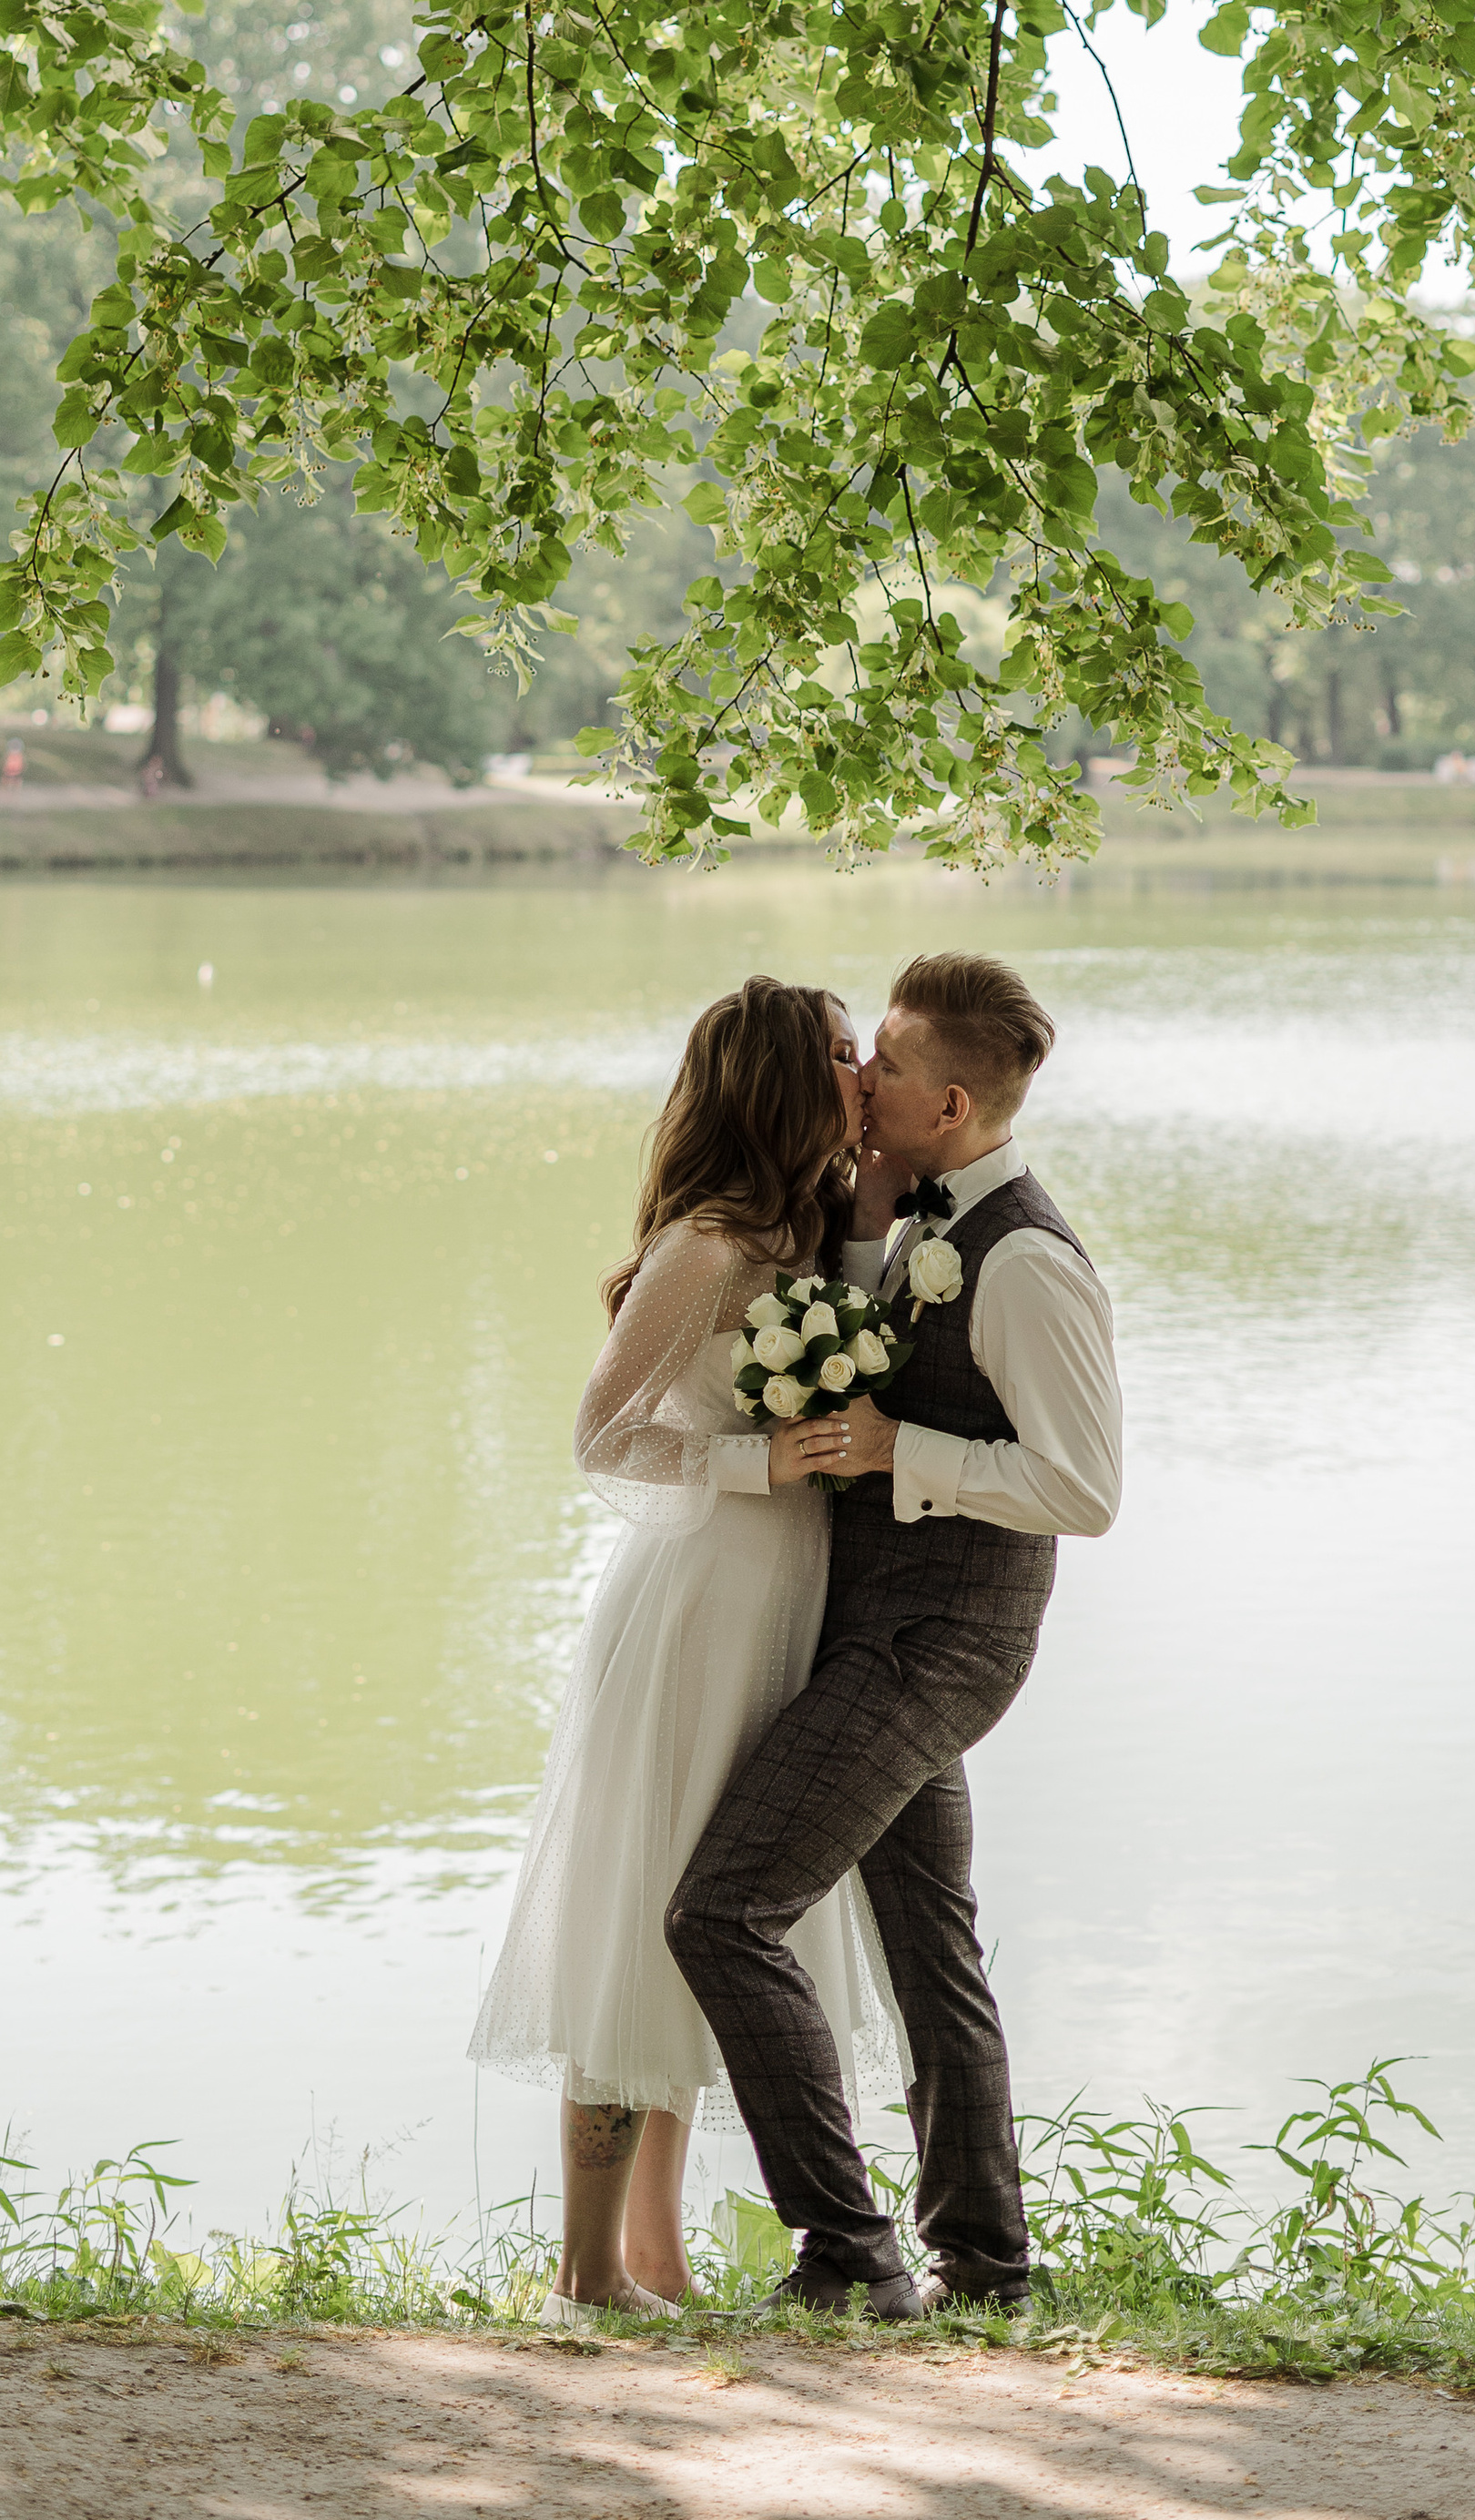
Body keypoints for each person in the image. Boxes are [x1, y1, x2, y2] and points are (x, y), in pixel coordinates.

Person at [666, 950, 1121, 2319]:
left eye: (891, 1065)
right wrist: (867, 1220)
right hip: (881, 1630)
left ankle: (849, 2254)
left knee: (722, 1913)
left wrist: (898, 1447)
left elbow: (1085, 1490)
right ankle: (987, 2268)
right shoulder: (916, 1215)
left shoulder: (1027, 1258)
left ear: (956, 1102)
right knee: (933, 1954)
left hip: (943, 1643)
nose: (864, 1078)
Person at [468, 975, 904, 2322]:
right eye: (841, 1054)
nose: (861, 1070)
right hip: (696, 1608)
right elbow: (602, 1434)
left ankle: (654, 2259)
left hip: (788, 1604)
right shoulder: (709, 1248)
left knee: (717, 1929)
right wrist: (754, 1457)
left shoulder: (814, 1232)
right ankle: (584, 2277)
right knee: (639, 1920)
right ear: (781, 1079)